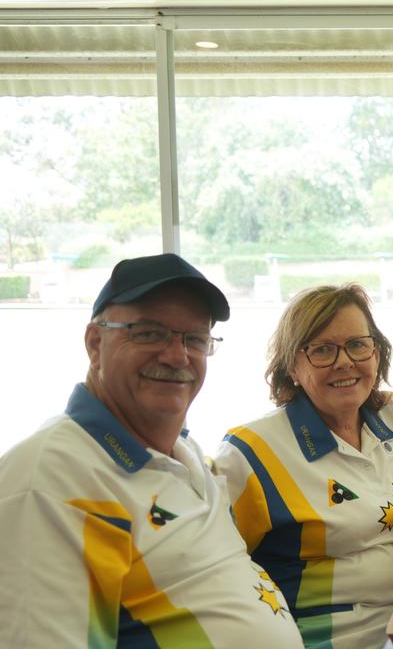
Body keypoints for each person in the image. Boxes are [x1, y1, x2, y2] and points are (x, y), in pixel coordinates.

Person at [0, 254, 305, 647]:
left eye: (194, 339)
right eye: (148, 333)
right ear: (95, 343)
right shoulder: (49, 482)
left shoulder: (185, 454)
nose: (177, 356)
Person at [213, 284, 393, 648]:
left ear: (377, 353)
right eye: (323, 350)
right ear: (292, 367)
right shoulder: (249, 453)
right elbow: (206, 572)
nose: (344, 362)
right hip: (339, 639)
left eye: (358, 345)